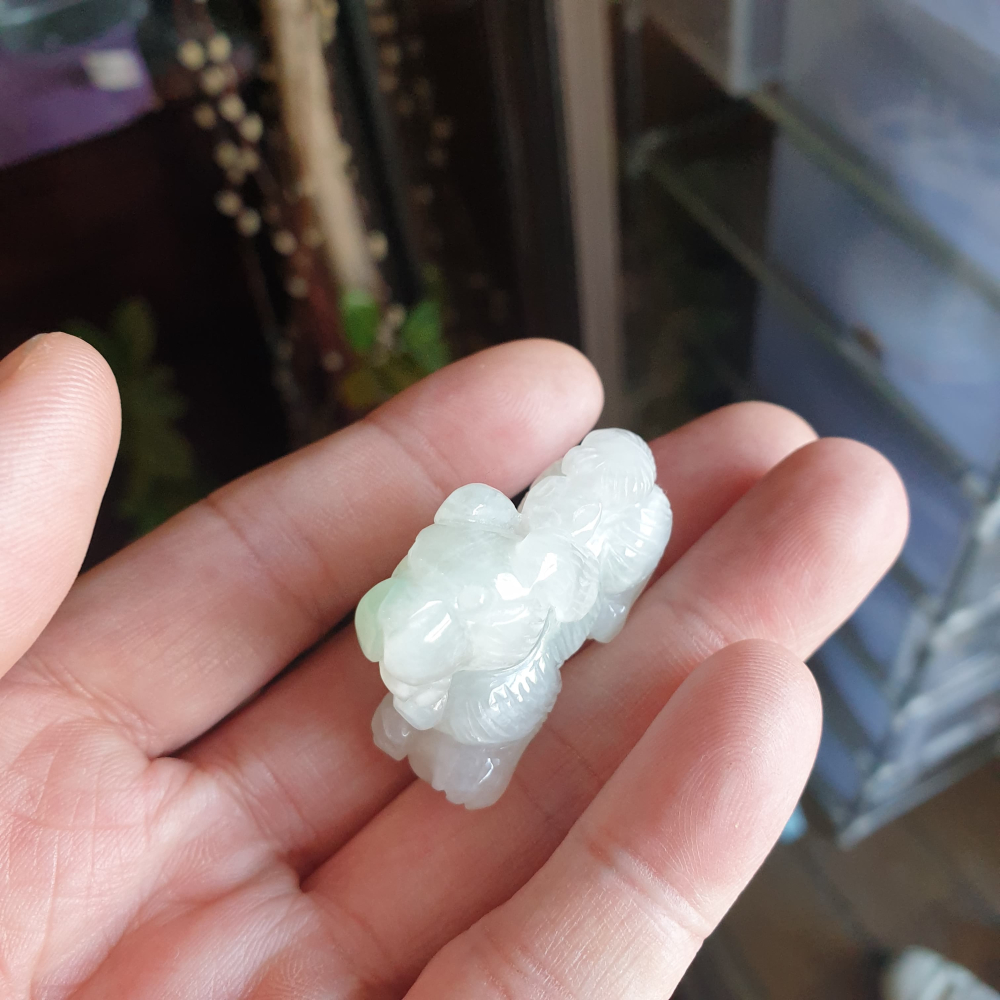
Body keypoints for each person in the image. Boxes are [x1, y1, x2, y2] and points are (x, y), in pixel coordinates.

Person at [0, 333, 911, 998]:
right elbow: (456, 542)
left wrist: (532, 609)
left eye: (594, 488)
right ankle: (425, 714)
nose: (579, 493)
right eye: (577, 480)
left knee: (482, 727)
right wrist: (439, 605)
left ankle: (452, 740)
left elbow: (578, 613)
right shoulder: (487, 521)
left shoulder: (606, 543)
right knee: (419, 700)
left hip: (513, 648)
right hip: (459, 616)